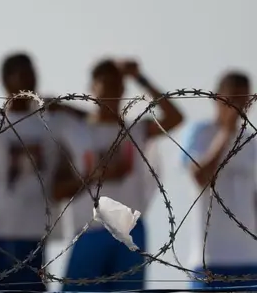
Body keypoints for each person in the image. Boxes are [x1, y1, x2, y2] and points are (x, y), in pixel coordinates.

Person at [0, 52, 92, 292]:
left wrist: (61, 105)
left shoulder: (50, 121)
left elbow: (97, 121)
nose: (31, 81)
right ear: (6, 80)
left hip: (32, 234)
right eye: (24, 74)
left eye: (33, 74)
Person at [62, 59, 184, 292]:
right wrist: (96, 175)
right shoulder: (76, 131)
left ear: (123, 90)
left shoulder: (136, 129)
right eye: (104, 84)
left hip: (129, 231)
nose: (110, 91)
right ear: (92, 88)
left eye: (116, 84)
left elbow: (175, 117)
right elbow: (58, 185)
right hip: (90, 229)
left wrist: (140, 77)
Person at [181, 71, 257, 289]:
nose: (239, 107)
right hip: (211, 260)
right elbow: (200, 177)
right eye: (233, 99)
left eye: (244, 100)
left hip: (249, 259)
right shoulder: (200, 133)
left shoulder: (250, 142)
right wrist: (225, 132)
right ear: (218, 98)